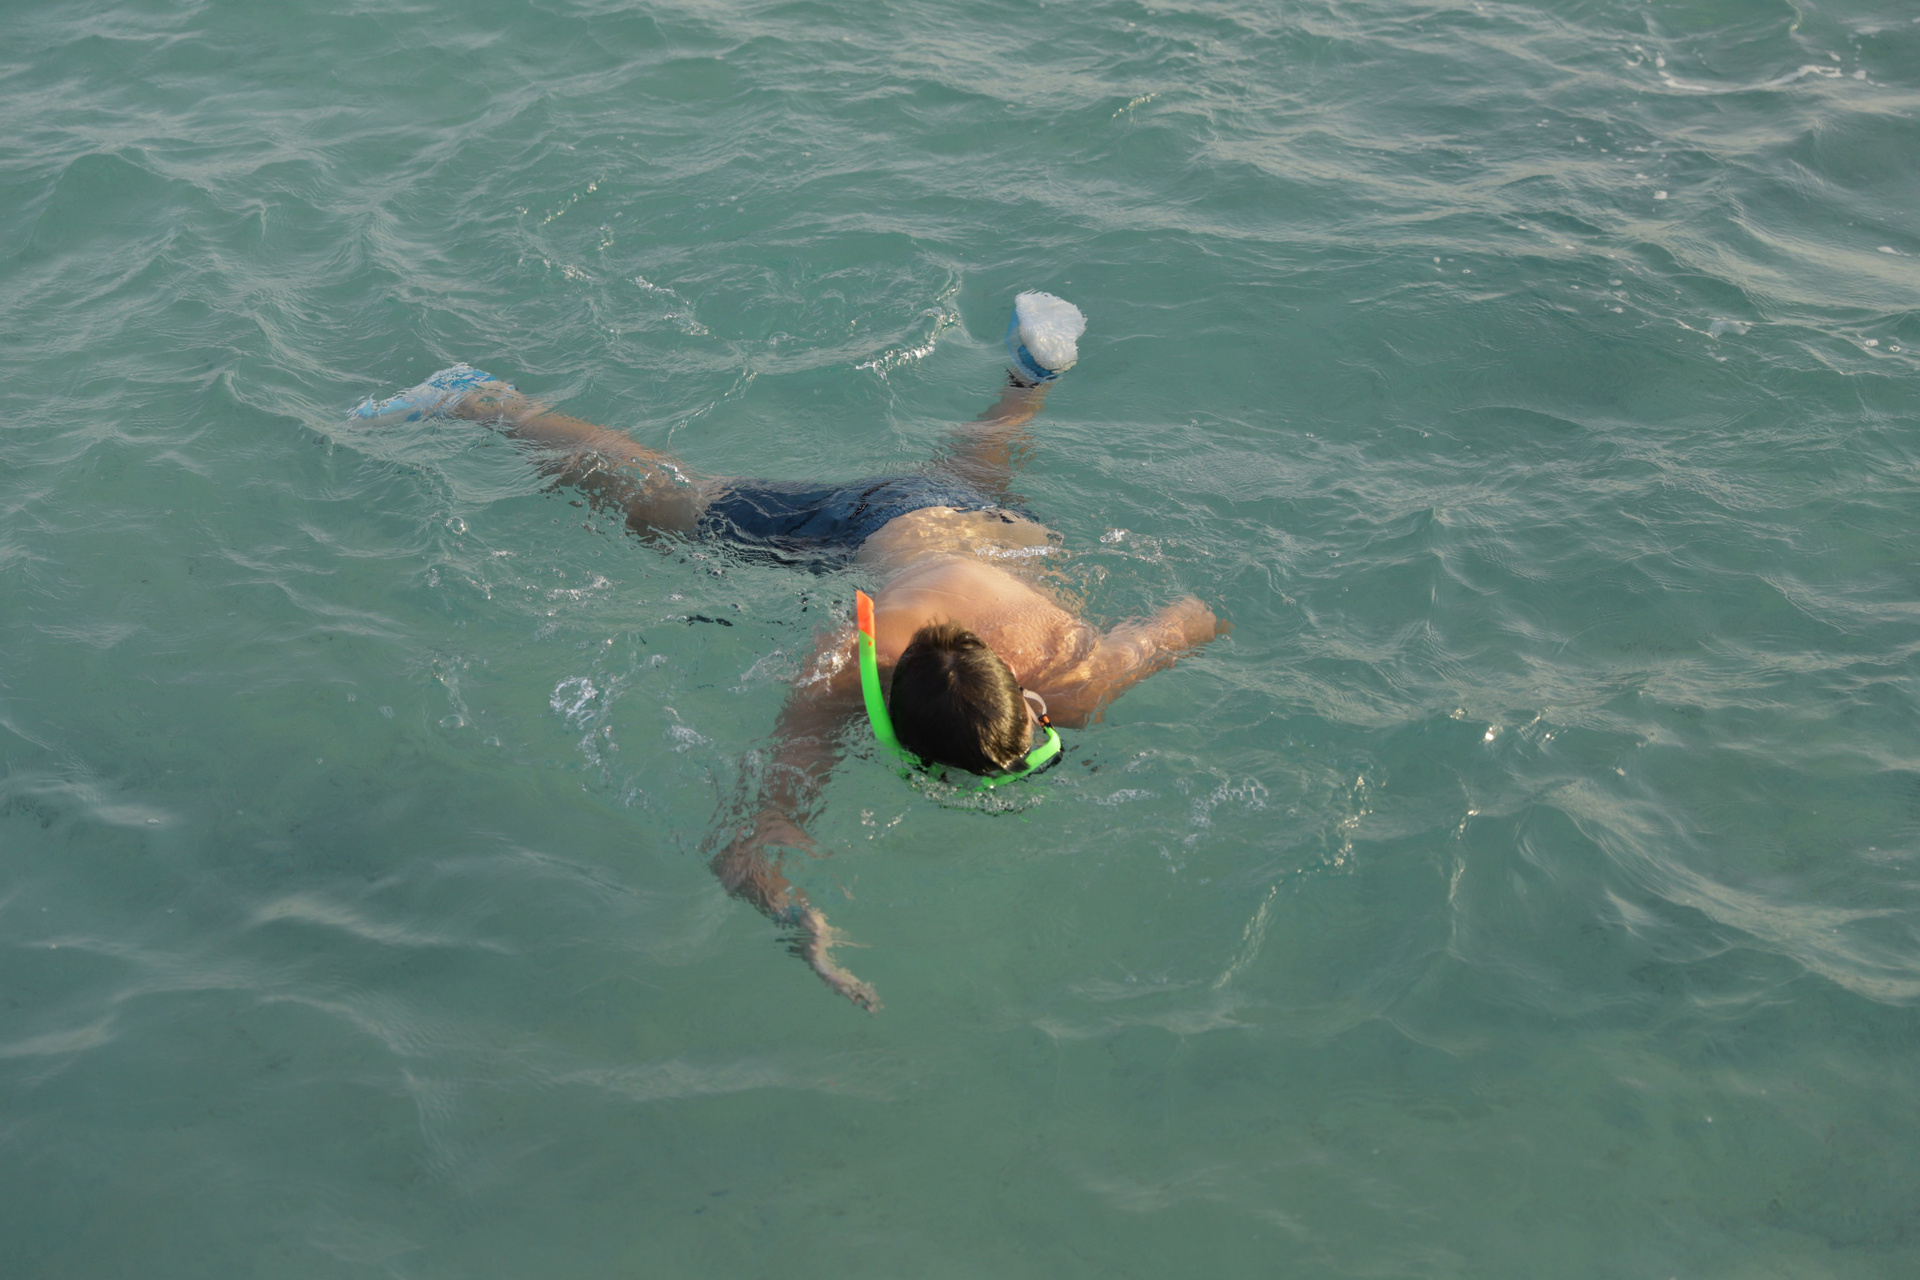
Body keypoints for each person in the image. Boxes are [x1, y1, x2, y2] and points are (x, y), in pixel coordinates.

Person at [351, 295, 1226, 1010]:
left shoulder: (1078, 677)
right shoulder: (855, 659)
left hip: (976, 533)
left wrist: (799, 917)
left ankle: (1027, 378)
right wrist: (796, 924)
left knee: (961, 475)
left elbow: (1193, 616)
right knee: (663, 508)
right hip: (901, 525)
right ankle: (483, 400)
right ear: (1027, 710)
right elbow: (752, 839)